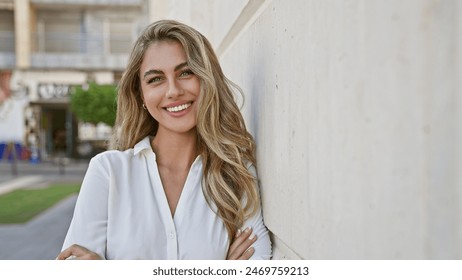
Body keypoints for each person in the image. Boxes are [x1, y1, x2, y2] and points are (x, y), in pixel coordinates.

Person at [57, 19, 271, 260]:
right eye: (155, 79)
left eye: (186, 72)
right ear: (141, 95)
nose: (173, 91)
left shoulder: (236, 175)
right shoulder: (108, 172)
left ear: (207, 80)